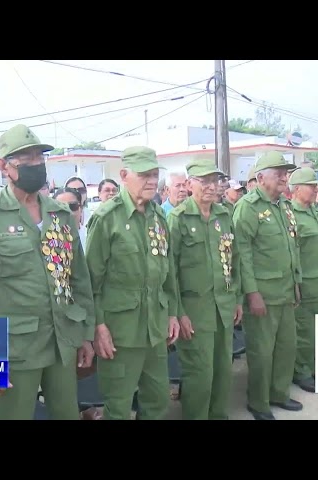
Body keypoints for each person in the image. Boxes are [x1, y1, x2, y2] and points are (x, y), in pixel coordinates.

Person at [0, 124, 96, 420]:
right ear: (3, 167)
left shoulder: (59, 214)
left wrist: (85, 335)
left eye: (40, 157)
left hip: (63, 340)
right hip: (13, 348)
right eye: (26, 158)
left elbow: (79, 279)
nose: (36, 164)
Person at [85, 146, 180, 420]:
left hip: (155, 327)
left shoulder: (158, 216)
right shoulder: (107, 219)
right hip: (120, 332)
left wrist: (172, 312)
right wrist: (98, 326)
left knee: (157, 399)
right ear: (124, 175)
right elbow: (91, 282)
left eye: (154, 174)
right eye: (144, 175)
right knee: (118, 404)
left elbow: (168, 272)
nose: (152, 180)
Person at [167, 158, 242, 420]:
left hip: (224, 306)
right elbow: (169, 271)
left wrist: (237, 299)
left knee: (223, 370)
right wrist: (178, 312)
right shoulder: (178, 218)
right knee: (200, 374)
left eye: (215, 181)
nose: (211, 187)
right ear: (189, 184)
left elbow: (235, 260)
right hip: (195, 310)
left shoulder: (224, 215)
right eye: (204, 181)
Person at [233, 151, 302, 421]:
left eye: (286, 173)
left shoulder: (284, 206)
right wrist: (252, 293)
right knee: (262, 352)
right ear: (261, 178)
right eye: (279, 173)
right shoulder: (248, 207)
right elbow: (242, 253)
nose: (285, 177)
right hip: (263, 294)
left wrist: (296, 283)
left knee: (286, 347)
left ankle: (279, 393)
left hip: (285, 291)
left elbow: (291, 248)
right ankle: (259, 402)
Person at [288, 168, 318, 393]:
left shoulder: (314, 211)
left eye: (316, 185)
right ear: (297, 189)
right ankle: (303, 372)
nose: (316, 189)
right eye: (311, 186)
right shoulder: (291, 215)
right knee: (306, 331)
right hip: (308, 283)